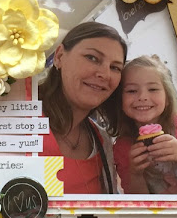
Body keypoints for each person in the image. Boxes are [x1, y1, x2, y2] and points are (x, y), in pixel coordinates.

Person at [40, 21, 127, 194]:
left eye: (115, 67)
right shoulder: (17, 119)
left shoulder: (102, 142)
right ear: (59, 56)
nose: (105, 74)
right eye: (92, 58)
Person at [113, 56, 177, 194]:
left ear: (167, 98)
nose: (142, 97)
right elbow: (137, 202)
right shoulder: (122, 148)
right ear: (120, 101)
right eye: (131, 91)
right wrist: (136, 174)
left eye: (153, 89)